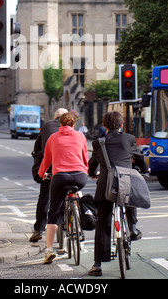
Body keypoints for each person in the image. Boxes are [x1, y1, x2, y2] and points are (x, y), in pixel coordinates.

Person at [88, 111, 149, 277]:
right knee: (130, 195)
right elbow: (140, 157)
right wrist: (145, 170)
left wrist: (92, 173)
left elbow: (92, 163)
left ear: (105, 126)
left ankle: (97, 264)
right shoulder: (128, 139)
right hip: (124, 182)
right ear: (121, 125)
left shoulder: (99, 142)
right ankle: (133, 228)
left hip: (105, 187)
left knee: (102, 223)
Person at [38, 112, 89, 264]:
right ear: (74, 125)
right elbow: (85, 158)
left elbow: (46, 160)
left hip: (60, 177)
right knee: (77, 190)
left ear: (60, 124)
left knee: (53, 213)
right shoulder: (81, 136)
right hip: (80, 177)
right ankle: (78, 218)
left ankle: (48, 250)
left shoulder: (52, 138)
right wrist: (85, 170)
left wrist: (42, 174)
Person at [30, 108, 68, 243]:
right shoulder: (73, 128)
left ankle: (39, 229)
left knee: (45, 195)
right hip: (70, 167)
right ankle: (69, 226)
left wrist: (37, 160)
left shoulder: (47, 126)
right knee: (69, 193)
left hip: (51, 167)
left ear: (55, 117)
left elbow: (37, 147)